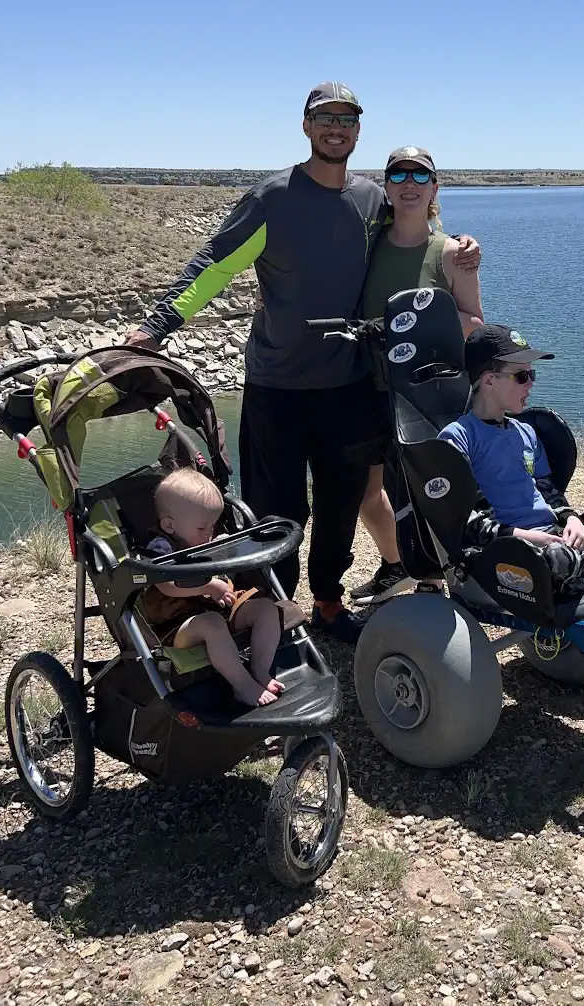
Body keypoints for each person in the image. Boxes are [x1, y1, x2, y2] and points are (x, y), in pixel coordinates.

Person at [124, 81, 480, 645]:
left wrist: (461, 246)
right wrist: (158, 325)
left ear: (358, 130)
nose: (336, 128)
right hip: (278, 387)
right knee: (278, 510)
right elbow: (213, 266)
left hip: (350, 384)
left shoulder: (370, 200)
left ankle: (329, 606)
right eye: (325, 119)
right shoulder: (273, 199)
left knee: (341, 506)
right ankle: (273, 610)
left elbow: (415, 236)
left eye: (346, 119)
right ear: (307, 126)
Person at [350, 145, 484, 605]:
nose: (409, 184)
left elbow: (475, 322)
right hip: (369, 389)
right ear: (386, 186)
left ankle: (442, 575)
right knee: (370, 494)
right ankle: (397, 566)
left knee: (431, 490)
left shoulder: (450, 253)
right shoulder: (368, 245)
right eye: (399, 175)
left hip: (427, 397)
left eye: (419, 176)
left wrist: (415, 325)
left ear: (434, 188)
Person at [438, 325, 584, 594]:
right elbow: (465, 519)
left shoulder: (527, 432)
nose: (531, 383)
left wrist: (573, 520)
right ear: (488, 381)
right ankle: (581, 571)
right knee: (558, 559)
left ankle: (578, 571)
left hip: (552, 534)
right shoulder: (459, 437)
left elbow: (547, 491)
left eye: (532, 374)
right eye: (521, 376)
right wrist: (527, 537)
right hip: (510, 549)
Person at [139, 468, 285, 707]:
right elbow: (165, 585)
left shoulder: (203, 540)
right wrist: (208, 586)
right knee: (212, 624)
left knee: (266, 609)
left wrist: (225, 550)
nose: (209, 534)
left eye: (213, 526)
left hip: (215, 606)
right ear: (169, 525)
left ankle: (259, 670)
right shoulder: (160, 547)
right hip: (178, 624)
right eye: (202, 528)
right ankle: (243, 686)